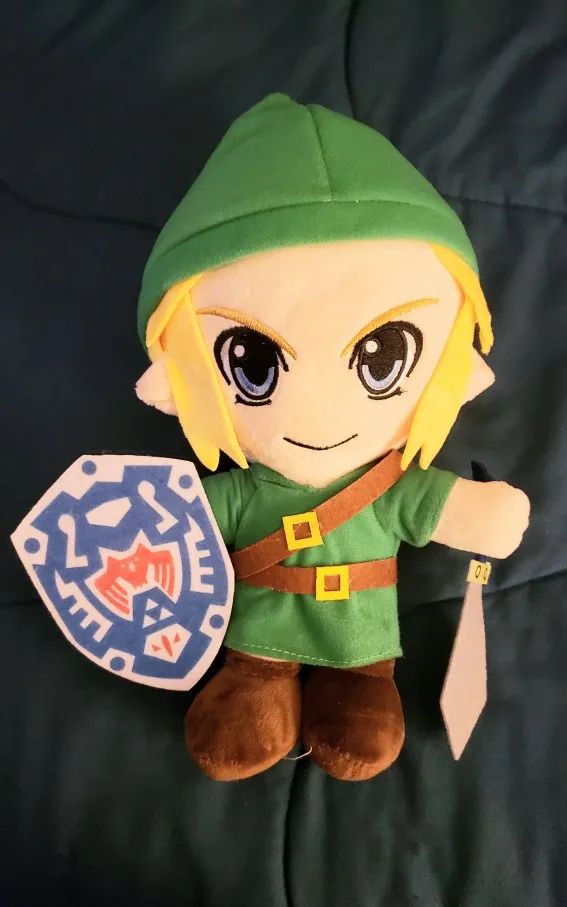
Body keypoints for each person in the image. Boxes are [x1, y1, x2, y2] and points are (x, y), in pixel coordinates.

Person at [136, 94, 529, 781]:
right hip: (257, 637)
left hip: (361, 643)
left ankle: (356, 686)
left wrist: (478, 514)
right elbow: (177, 521)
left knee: (361, 723)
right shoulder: (242, 492)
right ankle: (260, 682)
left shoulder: (389, 488)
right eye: (252, 367)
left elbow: (432, 506)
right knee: (244, 712)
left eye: (383, 360)